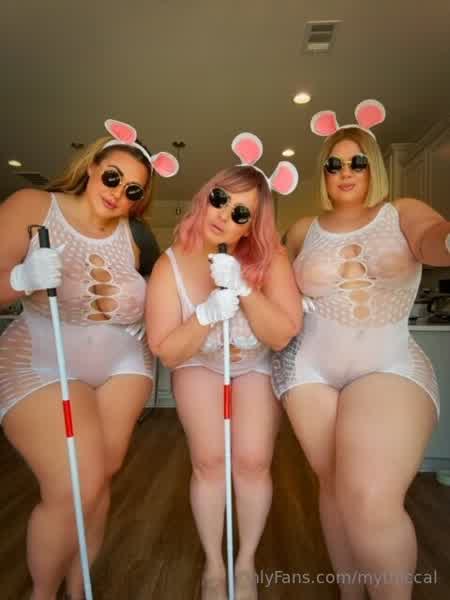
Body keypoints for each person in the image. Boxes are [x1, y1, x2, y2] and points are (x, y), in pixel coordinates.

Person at [273, 99, 450, 600]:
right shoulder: (303, 229)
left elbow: (433, 239)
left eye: (357, 161)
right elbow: (272, 288)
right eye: (334, 164)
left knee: (370, 497)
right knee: (332, 488)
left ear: (373, 167)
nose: (346, 171)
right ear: (324, 173)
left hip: (386, 364)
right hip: (309, 370)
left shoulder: (402, 212)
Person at [0, 119, 178, 600]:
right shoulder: (34, 206)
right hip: (42, 357)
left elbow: (166, 293)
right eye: (113, 176)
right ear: (93, 166)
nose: (119, 192)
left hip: (124, 365)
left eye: (133, 189)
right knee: (74, 486)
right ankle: (41, 593)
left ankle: (80, 591)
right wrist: (21, 278)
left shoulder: (138, 237)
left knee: (97, 485)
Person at [146, 132, 302, 600]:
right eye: (220, 199)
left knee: (252, 462)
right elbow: (167, 351)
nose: (224, 214)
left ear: (251, 228)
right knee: (210, 462)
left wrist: (246, 290)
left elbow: (282, 333)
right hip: (197, 363)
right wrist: (207, 314)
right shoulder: (169, 265)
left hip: (253, 366)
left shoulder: (271, 259)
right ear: (205, 196)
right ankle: (215, 566)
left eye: (241, 213)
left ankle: (246, 561)